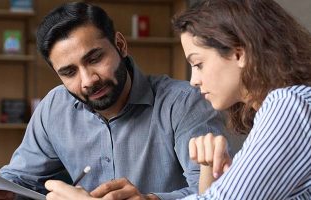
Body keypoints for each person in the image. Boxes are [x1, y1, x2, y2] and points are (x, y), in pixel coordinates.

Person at [44, 0, 311, 199]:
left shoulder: (288, 104)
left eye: (198, 64)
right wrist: (208, 169)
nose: (194, 79)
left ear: (239, 54)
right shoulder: (284, 107)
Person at [0, 2, 225, 200]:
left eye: (94, 59)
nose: (87, 80)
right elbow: (20, 179)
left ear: (120, 45)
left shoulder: (183, 103)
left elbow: (215, 193)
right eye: (69, 72)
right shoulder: (53, 108)